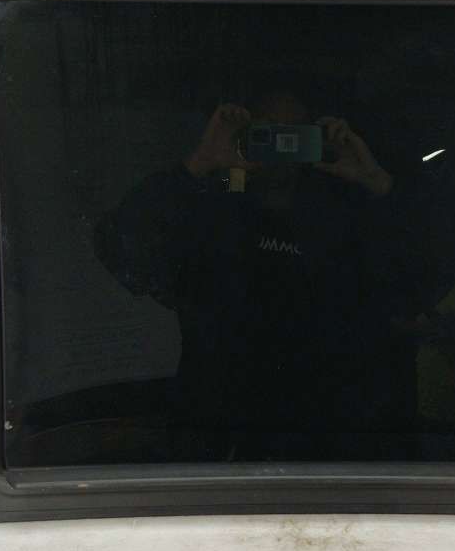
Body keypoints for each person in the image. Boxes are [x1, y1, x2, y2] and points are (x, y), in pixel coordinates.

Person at [94, 91, 432, 460]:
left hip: (332, 446)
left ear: (314, 142)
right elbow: (122, 252)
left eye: (295, 134)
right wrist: (199, 163)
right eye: (267, 133)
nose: (282, 145)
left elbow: (425, 276)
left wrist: (377, 181)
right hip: (219, 446)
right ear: (245, 138)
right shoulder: (213, 213)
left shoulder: (344, 219)